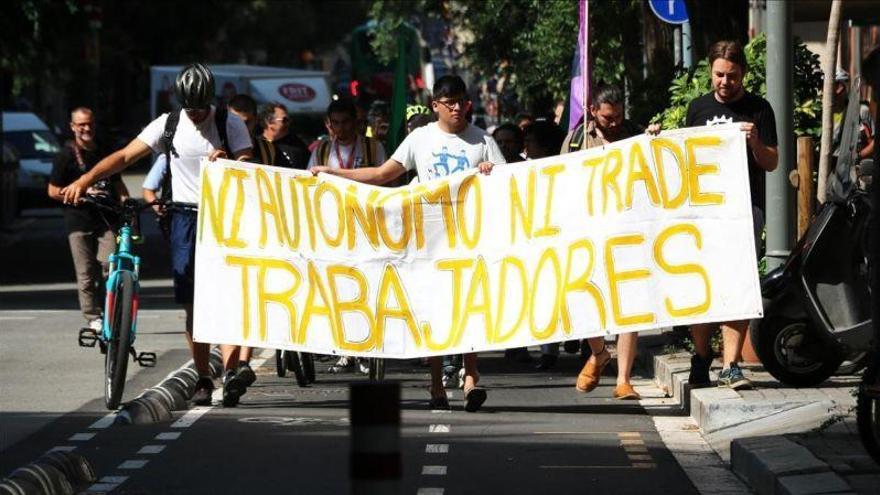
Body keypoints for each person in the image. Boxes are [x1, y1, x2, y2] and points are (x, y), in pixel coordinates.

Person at [62, 64, 254, 407]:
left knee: (226, 297)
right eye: (190, 108)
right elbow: (123, 157)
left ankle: (232, 372)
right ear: (181, 102)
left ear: (210, 100)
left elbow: (250, 166)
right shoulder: (169, 124)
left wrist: (230, 163)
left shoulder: (229, 122)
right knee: (192, 303)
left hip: (225, 218)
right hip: (185, 217)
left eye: (200, 108)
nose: (196, 115)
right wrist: (84, 181)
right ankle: (203, 379)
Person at [311, 75, 505, 412]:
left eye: (461, 101)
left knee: (468, 307)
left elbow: (509, 183)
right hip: (427, 241)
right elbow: (382, 174)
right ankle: (435, 386)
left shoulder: (483, 141)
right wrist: (333, 173)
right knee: (432, 311)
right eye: (450, 103)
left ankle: (471, 376)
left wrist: (492, 171)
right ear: (435, 107)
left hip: (469, 240)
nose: (457, 108)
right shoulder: (419, 139)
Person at [684, 40, 778, 390]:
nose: (725, 82)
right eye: (719, 75)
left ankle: (732, 363)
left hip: (744, 209)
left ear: (744, 75)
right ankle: (701, 355)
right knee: (701, 283)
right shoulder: (697, 109)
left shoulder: (759, 109)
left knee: (738, 282)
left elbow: (772, 162)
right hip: (703, 210)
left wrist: (755, 143)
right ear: (710, 72)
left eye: (733, 76)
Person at [557, 86, 646, 399]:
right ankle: (598, 352)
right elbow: (560, 177)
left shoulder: (635, 133)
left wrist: (655, 138)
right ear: (594, 111)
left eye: (619, 116)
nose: (614, 122)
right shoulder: (578, 139)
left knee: (631, 305)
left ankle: (623, 379)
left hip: (628, 229)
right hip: (588, 230)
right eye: (608, 117)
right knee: (583, 297)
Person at [48, 107, 129, 331]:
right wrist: (80, 192)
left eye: (90, 123)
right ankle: (93, 317)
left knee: (111, 266)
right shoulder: (65, 156)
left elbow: (117, 182)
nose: (86, 128)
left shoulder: (104, 150)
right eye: (81, 124)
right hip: (78, 220)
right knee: (85, 273)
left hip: (106, 217)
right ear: (73, 127)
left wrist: (125, 201)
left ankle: (112, 311)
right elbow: (52, 191)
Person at [308, 99, 386, 170]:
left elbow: (386, 179)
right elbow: (310, 179)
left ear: (354, 121)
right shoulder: (321, 150)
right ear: (330, 124)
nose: (340, 127)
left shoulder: (374, 147)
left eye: (345, 122)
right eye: (336, 123)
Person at [832, 70, 875, 163]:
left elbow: (873, 143)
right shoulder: (823, 114)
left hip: (854, 168)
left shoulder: (861, 111)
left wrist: (857, 156)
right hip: (832, 167)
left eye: (837, 86)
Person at [253, 102, 310, 169]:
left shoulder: (297, 145)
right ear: (269, 122)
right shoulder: (256, 145)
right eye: (284, 120)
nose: (288, 123)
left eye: (288, 120)